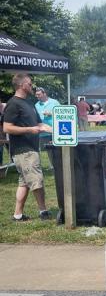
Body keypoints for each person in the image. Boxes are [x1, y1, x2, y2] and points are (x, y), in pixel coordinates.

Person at [3, 74, 53, 221]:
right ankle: (43, 212)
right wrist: (29, 130)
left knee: (24, 182)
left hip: (31, 148)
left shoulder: (29, 103)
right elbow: (7, 128)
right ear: (22, 85)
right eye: (30, 84)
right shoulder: (13, 104)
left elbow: (38, 124)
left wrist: (54, 129)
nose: (32, 87)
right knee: (36, 180)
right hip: (23, 150)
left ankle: (17, 215)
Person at [34, 87, 60, 170]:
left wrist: (51, 113)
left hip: (55, 130)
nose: (37, 96)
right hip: (43, 131)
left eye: (39, 94)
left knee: (57, 148)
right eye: (36, 94)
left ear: (44, 94)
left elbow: (61, 112)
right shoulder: (36, 105)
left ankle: (58, 165)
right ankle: (53, 166)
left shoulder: (54, 102)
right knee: (48, 149)